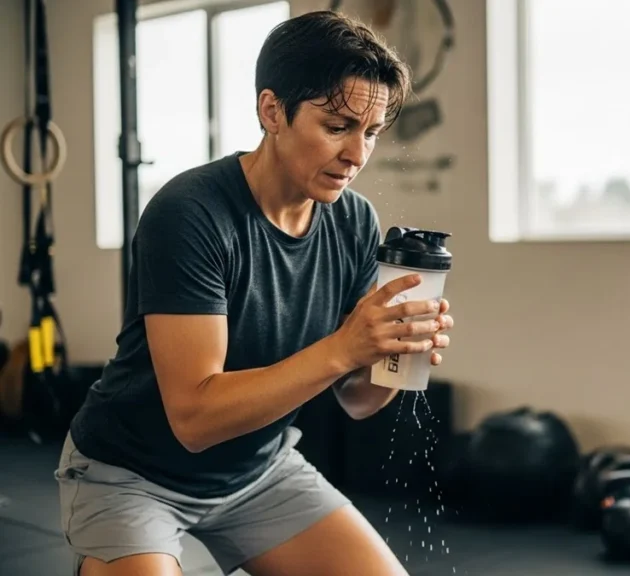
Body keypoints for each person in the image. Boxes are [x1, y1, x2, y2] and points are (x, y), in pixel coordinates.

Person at [54, 10, 451, 576]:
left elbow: (358, 401)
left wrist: (394, 354)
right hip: (134, 475)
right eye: (337, 127)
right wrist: (344, 345)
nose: (357, 155)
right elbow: (194, 419)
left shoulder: (354, 221)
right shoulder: (191, 213)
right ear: (272, 111)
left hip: (259, 472)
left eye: (371, 133)